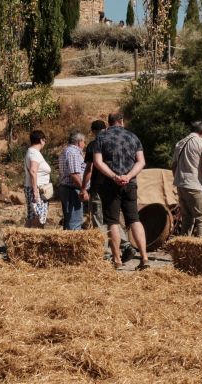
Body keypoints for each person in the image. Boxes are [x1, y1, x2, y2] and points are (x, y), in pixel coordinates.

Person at [90, 111, 149, 271]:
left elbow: (97, 162)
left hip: (110, 185)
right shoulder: (133, 137)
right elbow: (141, 161)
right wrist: (128, 176)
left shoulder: (100, 138)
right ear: (121, 121)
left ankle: (116, 260)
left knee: (113, 222)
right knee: (134, 219)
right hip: (130, 184)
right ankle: (144, 258)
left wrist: (115, 176)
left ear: (109, 122)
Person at [173, 120, 202, 239]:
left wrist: (179, 180)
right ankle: (201, 250)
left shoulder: (180, 143)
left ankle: (182, 251)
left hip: (181, 185)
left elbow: (174, 166)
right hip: (194, 186)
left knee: (187, 219)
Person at [56, 131, 87, 231]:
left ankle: (67, 245)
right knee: (75, 221)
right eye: (84, 142)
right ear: (79, 142)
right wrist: (83, 189)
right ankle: (74, 245)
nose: (84, 144)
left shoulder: (66, 151)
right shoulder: (73, 153)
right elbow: (74, 174)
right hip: (72, 190)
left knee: (69, 220)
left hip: (67, 188)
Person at [23, 130, 52, 227]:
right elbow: (33, 171)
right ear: (41, 140)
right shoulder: (34, 153)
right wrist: (35, 192)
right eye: (44, 140)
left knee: (32, 215)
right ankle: (33, 238)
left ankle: (24, 239)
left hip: (35, 188)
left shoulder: (31, 152)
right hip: (37, 189)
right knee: (38, 217)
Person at [84, 119, 107, 233]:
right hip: (114, 184)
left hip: (98, 185)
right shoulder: (114, 143)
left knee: (98, 216)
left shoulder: (93, 145)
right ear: (106, 129)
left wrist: (83, 188)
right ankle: (124, 245)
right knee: (113, 217)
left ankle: (104, 247)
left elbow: (89, 169)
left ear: (93, 131)